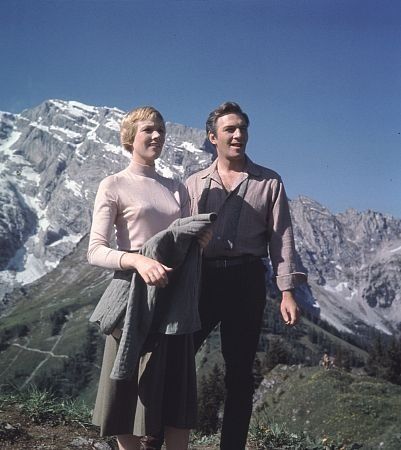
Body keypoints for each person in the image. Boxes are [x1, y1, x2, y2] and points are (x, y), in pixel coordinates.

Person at [87, 106, 211, 450]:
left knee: (176, 389)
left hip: (174, 297)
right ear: (130, 138)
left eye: (160, 130)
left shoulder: (176, 189)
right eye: (147, 130)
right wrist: (138, 262)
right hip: (133, 295)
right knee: (127, 390)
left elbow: (185, 237)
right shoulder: (114, 184)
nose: (156, 136)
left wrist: (200, 239)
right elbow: (95, 251)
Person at [185, 101, 307, 450]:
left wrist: (286, 291)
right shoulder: (194, 184)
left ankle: (232, 446)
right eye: (229, 130)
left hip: (247, 280)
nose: (238, 135)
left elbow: (281, 236)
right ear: (212, 138)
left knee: (240, 372)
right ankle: (162, 437)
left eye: (242, 129)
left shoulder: (269, 182)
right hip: (202, 281)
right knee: (179, 360)